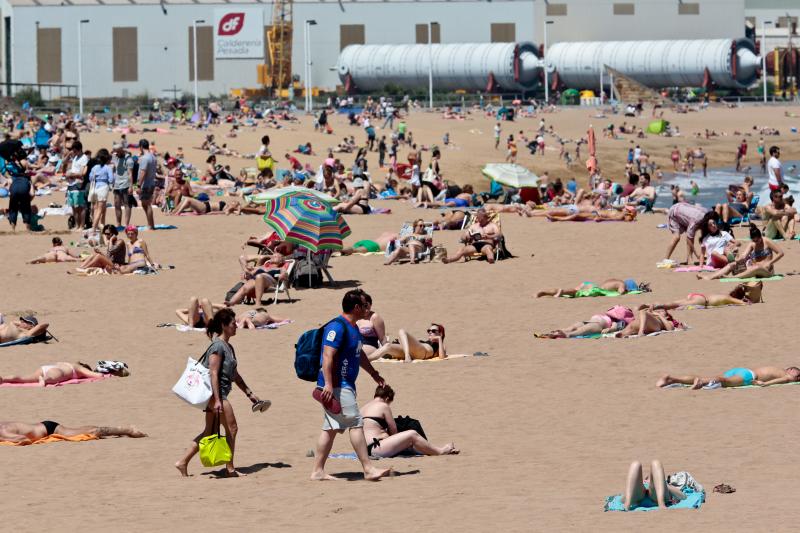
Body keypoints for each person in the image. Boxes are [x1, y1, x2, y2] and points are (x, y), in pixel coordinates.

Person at [310, 289, 391, 482]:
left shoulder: (353, 327)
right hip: (338, 386)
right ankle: (368, 468)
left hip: (343, 384)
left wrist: (373, 373)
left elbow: (359, 353)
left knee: (329, 428)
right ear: (356, 307)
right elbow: (327, 356)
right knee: (356, 423)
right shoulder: (337, 327)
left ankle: (318, 471)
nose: (367, 309)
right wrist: (329, 385)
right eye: (364, 305)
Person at [175, 308, 267, 477]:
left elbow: (235, 374)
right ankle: (230, 468)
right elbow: (213, 373)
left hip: (217, 395)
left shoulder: (228, 347)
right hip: (217, 396)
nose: (237, 326)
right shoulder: (217, 346)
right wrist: (217, 400)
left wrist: (249, 393)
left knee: (209, 432)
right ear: (224, 326)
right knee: (232, 428)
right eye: (233, 323)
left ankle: (182, 462)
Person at [361, 385, 458, 457]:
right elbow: (393, 431)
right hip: (378, 448)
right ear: (387, 398)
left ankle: (425, 449)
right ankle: (440, 451)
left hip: (365, 450)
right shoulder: (383, 406)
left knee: (408, 441)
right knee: (412, 434)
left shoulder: (363, 408)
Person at [698, 224, 783, 281]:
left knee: (756, 268)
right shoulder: (752, 244)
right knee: (732, 264)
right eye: (754, 240)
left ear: (761, 236)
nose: (756, 242)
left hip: (767, 271)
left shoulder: (767, 241)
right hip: (753, 268)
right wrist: (737, 260)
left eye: (758, 240)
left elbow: (781, 253)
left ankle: (733, 278)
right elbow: (743, 256)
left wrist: (770, 262)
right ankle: (710, 277)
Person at [619, 460, 689, 510]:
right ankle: (627, 504)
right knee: (635, 464)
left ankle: (661, 503)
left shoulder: (664, 485)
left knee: (656, 463)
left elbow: (683, 497)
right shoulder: (640, 484)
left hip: (656, 497)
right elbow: (622, 499)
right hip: (639, 497)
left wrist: (664, 484)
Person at [658, 366, 800, 389]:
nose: (797, 376)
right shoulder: (787, 374)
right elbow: (785, 380)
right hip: (749, 375)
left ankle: (672, 379)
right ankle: (700, 382)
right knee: (724, 381)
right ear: (791, 369)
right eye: (797, 373)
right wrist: (765, 384)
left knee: (714, 378)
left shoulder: (781, 370)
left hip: (741, 370)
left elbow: (786, 379)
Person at [0, 421, 146, 443]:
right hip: (45, 425)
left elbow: (22, 439)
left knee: (93, 431)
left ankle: (127, 430)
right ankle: (126, 429)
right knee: (85, 429)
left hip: (47, 430)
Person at [645, 281, 762, 309]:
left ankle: (649, 304)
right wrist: (749, 302)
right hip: (701, 301)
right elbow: (743, 303)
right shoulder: (729, 299)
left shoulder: (726, 295)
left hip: (697, 296)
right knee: (673, 305)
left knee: (675, 303)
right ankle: (654, 306)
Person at [0, 361, 129, 386]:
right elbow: (98, 376)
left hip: (46, 367)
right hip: (58, 372)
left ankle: (4, 378)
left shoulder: (68, 362)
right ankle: (44, 381)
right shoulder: (78, 368)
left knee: (23, 378)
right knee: (50, 379)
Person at [537, 306, 633, 338]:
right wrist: (610, 329)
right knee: (574, 330)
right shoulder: (614, 319)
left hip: (594, 322)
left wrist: (609, 329)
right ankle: (561, 333)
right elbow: (615, 327)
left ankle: (559, 333)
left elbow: (614, 327)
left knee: (574, 329)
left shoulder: (610, 317)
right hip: (596, 323)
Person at [367, 324, 446, 362]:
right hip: (414, 352)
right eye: (429, 331)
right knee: (388, 346)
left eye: (433, 331)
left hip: (422, 352)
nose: (430, 332)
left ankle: (407, 356)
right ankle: (367, 360)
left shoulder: (440, 345)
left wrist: (439, 339)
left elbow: (442, 357)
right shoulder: (426, 341)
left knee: (402, 331)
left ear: (440, 333)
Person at [88, 148, 115, 232]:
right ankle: (94, 228)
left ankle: (98, 225)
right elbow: (111, 179)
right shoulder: (108, 168)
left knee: (96, 208)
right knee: (100, 209)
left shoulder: (95, 167)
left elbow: (90, 177)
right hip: (103, 188)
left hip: (95, 187)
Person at [614, 307, 687, 338]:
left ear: (667, 316)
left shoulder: (667, 320)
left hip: (656, 325)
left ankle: (641, 332)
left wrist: (659, 315)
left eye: (661, 311)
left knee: (643, 312)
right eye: (657, 310)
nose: (658, 311)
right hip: (640, 324)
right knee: (631, 326)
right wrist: (650, 311)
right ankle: (624, 334)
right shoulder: (653, 315)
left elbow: (670, 328)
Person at [536, 278, 649, 298]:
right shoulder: (622, 284)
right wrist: (627, 292)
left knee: (574, 290)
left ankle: (545, 293)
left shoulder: (614, 280)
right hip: (594, 289)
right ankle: (561, 291)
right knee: (576, 293)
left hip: (590, 284)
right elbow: (620, 293)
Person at [355, 293, 385, 359]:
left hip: (370, 345)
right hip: (358, 345)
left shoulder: (374, 317)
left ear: (370, 304)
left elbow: (382, 338)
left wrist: (386, 351)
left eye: (367, 305)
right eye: (363, 306)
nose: (366, 309)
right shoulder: (355, 317)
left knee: (357, 353)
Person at [111, 143, 135, 227]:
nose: (116, 153)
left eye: (117, 152)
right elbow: (113, 166)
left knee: (127, 204)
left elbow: (130, 174)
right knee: (117, 204)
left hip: (126, 184)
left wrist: (131, 186)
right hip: (117, 184)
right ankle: (118, 223)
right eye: (115, 152)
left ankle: (127, 224)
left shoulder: (129, 160)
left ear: (121, 151)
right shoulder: (115, 156)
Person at [136, 139, 157, 230]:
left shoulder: (145, 158)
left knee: (147, 205)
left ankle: (151, 225)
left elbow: (143, 172)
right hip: (151, 183)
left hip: (146, 184)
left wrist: (138, 185)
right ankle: (150, 224)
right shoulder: (153, 157)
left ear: (141, 147)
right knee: (146, 205)